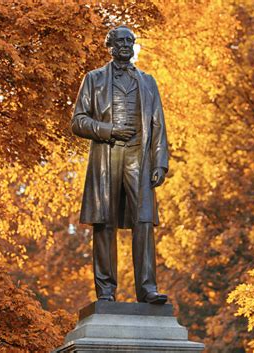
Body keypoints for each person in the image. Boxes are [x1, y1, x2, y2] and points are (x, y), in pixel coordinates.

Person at [72, 25, 168, 304]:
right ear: (110, 45)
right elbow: (78, 121)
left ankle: (147, 288)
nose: (126, 44)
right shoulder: (94, 79)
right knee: (104, 222)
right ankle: (105, 290)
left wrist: (160, 162)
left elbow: (159, 123)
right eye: (121, 40)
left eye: (130, 40)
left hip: (140, 156)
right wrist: (109, 129)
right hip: (107, 154)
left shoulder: (148, 81)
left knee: (144, 221)